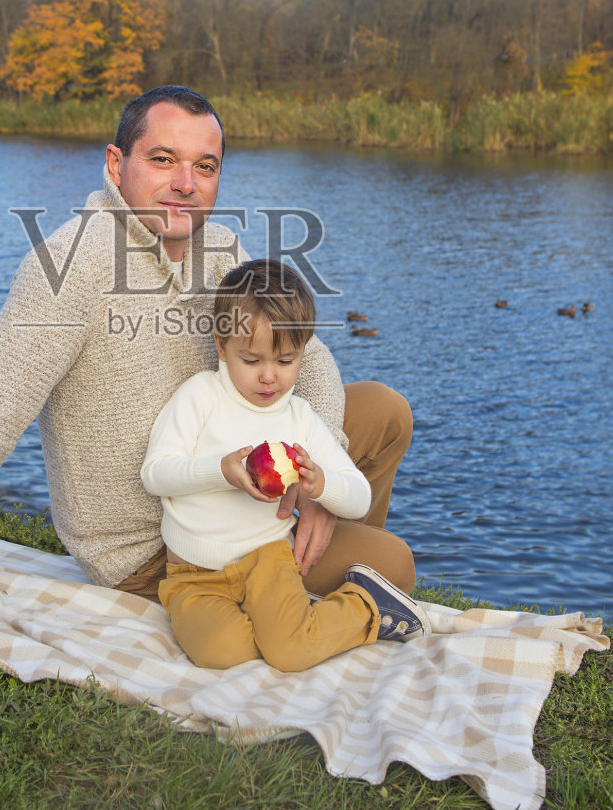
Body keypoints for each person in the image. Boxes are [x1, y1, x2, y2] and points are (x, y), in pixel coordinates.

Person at [0, 84, 414, 617]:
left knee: (385, 410)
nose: (185, 185)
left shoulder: (217, 248)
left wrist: (321, 489)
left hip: (233, 474)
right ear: (116, 165)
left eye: (205, 167)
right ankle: (306, 586)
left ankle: (308, 557)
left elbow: (311, 355)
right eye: (163, 160)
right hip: (153, 546)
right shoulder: (71, 268)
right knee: (392, 566)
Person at [143, 259, 428, 670]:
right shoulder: (200, 397)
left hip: (270, 563)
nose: (269, 377)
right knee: (224, 652)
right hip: (195, 574)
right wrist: (219, 470)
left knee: (291, 653)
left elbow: (359, 498)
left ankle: (366, 610)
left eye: (286, 361)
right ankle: (297, 621)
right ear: (222, 347)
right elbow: (155, 473)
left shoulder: (299, 419)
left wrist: (321, 485)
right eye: (252, 360)